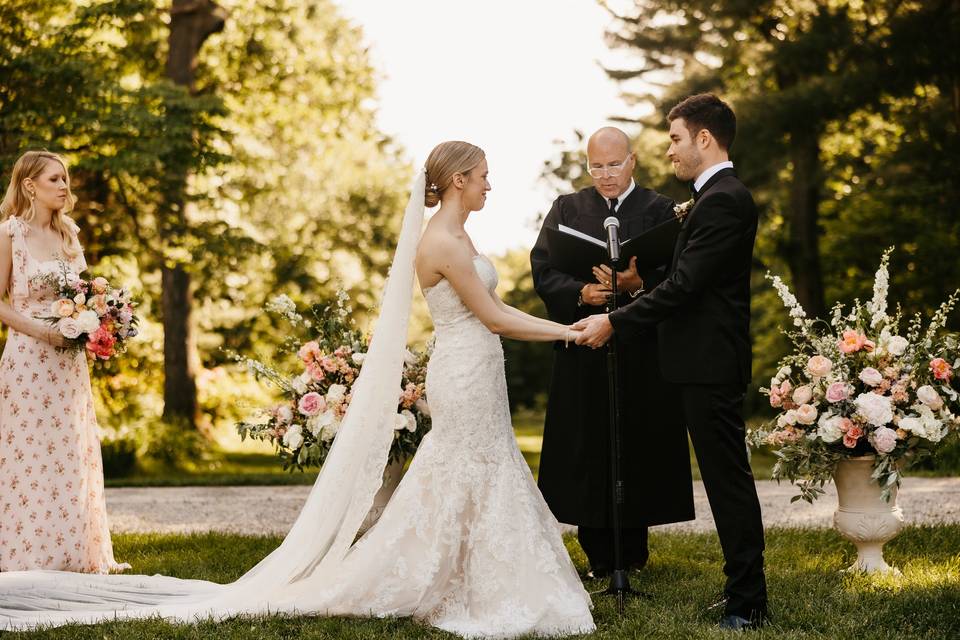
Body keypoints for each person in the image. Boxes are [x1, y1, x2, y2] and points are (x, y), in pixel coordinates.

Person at [0, 142, 596, 638]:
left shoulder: (460, 236)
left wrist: (561, 327)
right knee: (467, 467)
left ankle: (460, 576)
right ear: (460, 180)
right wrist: (569, 331)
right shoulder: (440, 241)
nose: (491, 185)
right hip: (463, 369)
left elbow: (495, 308)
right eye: (485, 176)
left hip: (477, 367)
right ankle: (442, 578)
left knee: (472, 470)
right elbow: (491, 316)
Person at [575, 95, 769, 630]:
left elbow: (687, 288)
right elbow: (686, 282)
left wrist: (616, 318)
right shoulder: (709, 198)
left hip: (708, 363)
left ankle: (748, 603)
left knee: (727, 482)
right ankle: (740, 592)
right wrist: (640, 287)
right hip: (693, 362)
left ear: (704, 139)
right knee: (723, 479)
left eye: (676, 138)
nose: (671, 149)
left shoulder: (725, 199)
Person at [530, 127, 694, 579]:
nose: (605, 175)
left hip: (640, 350)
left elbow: (682, 274)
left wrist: (637, 286)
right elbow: (543, 270)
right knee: (587, 443)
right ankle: (597, 551)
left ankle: (633, 550)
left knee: (638, 440)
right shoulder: (567, 209)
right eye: (596, 166)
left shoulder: (661, 210)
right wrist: (583, 292)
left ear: (632, 161)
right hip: (584, 345)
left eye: (614, 164)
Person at [0, 150, 129, 574]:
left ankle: (77, 553)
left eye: (65, 179)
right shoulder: (10, 234)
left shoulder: (68, 232)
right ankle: (25, 554)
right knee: (28, 453)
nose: (64, 186)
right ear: (30, 185)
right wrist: (43, 332)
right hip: (27, 360)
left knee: (70, 452)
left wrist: (98, 320)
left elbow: (84, 295)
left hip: (68, 365)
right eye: (55, 179)